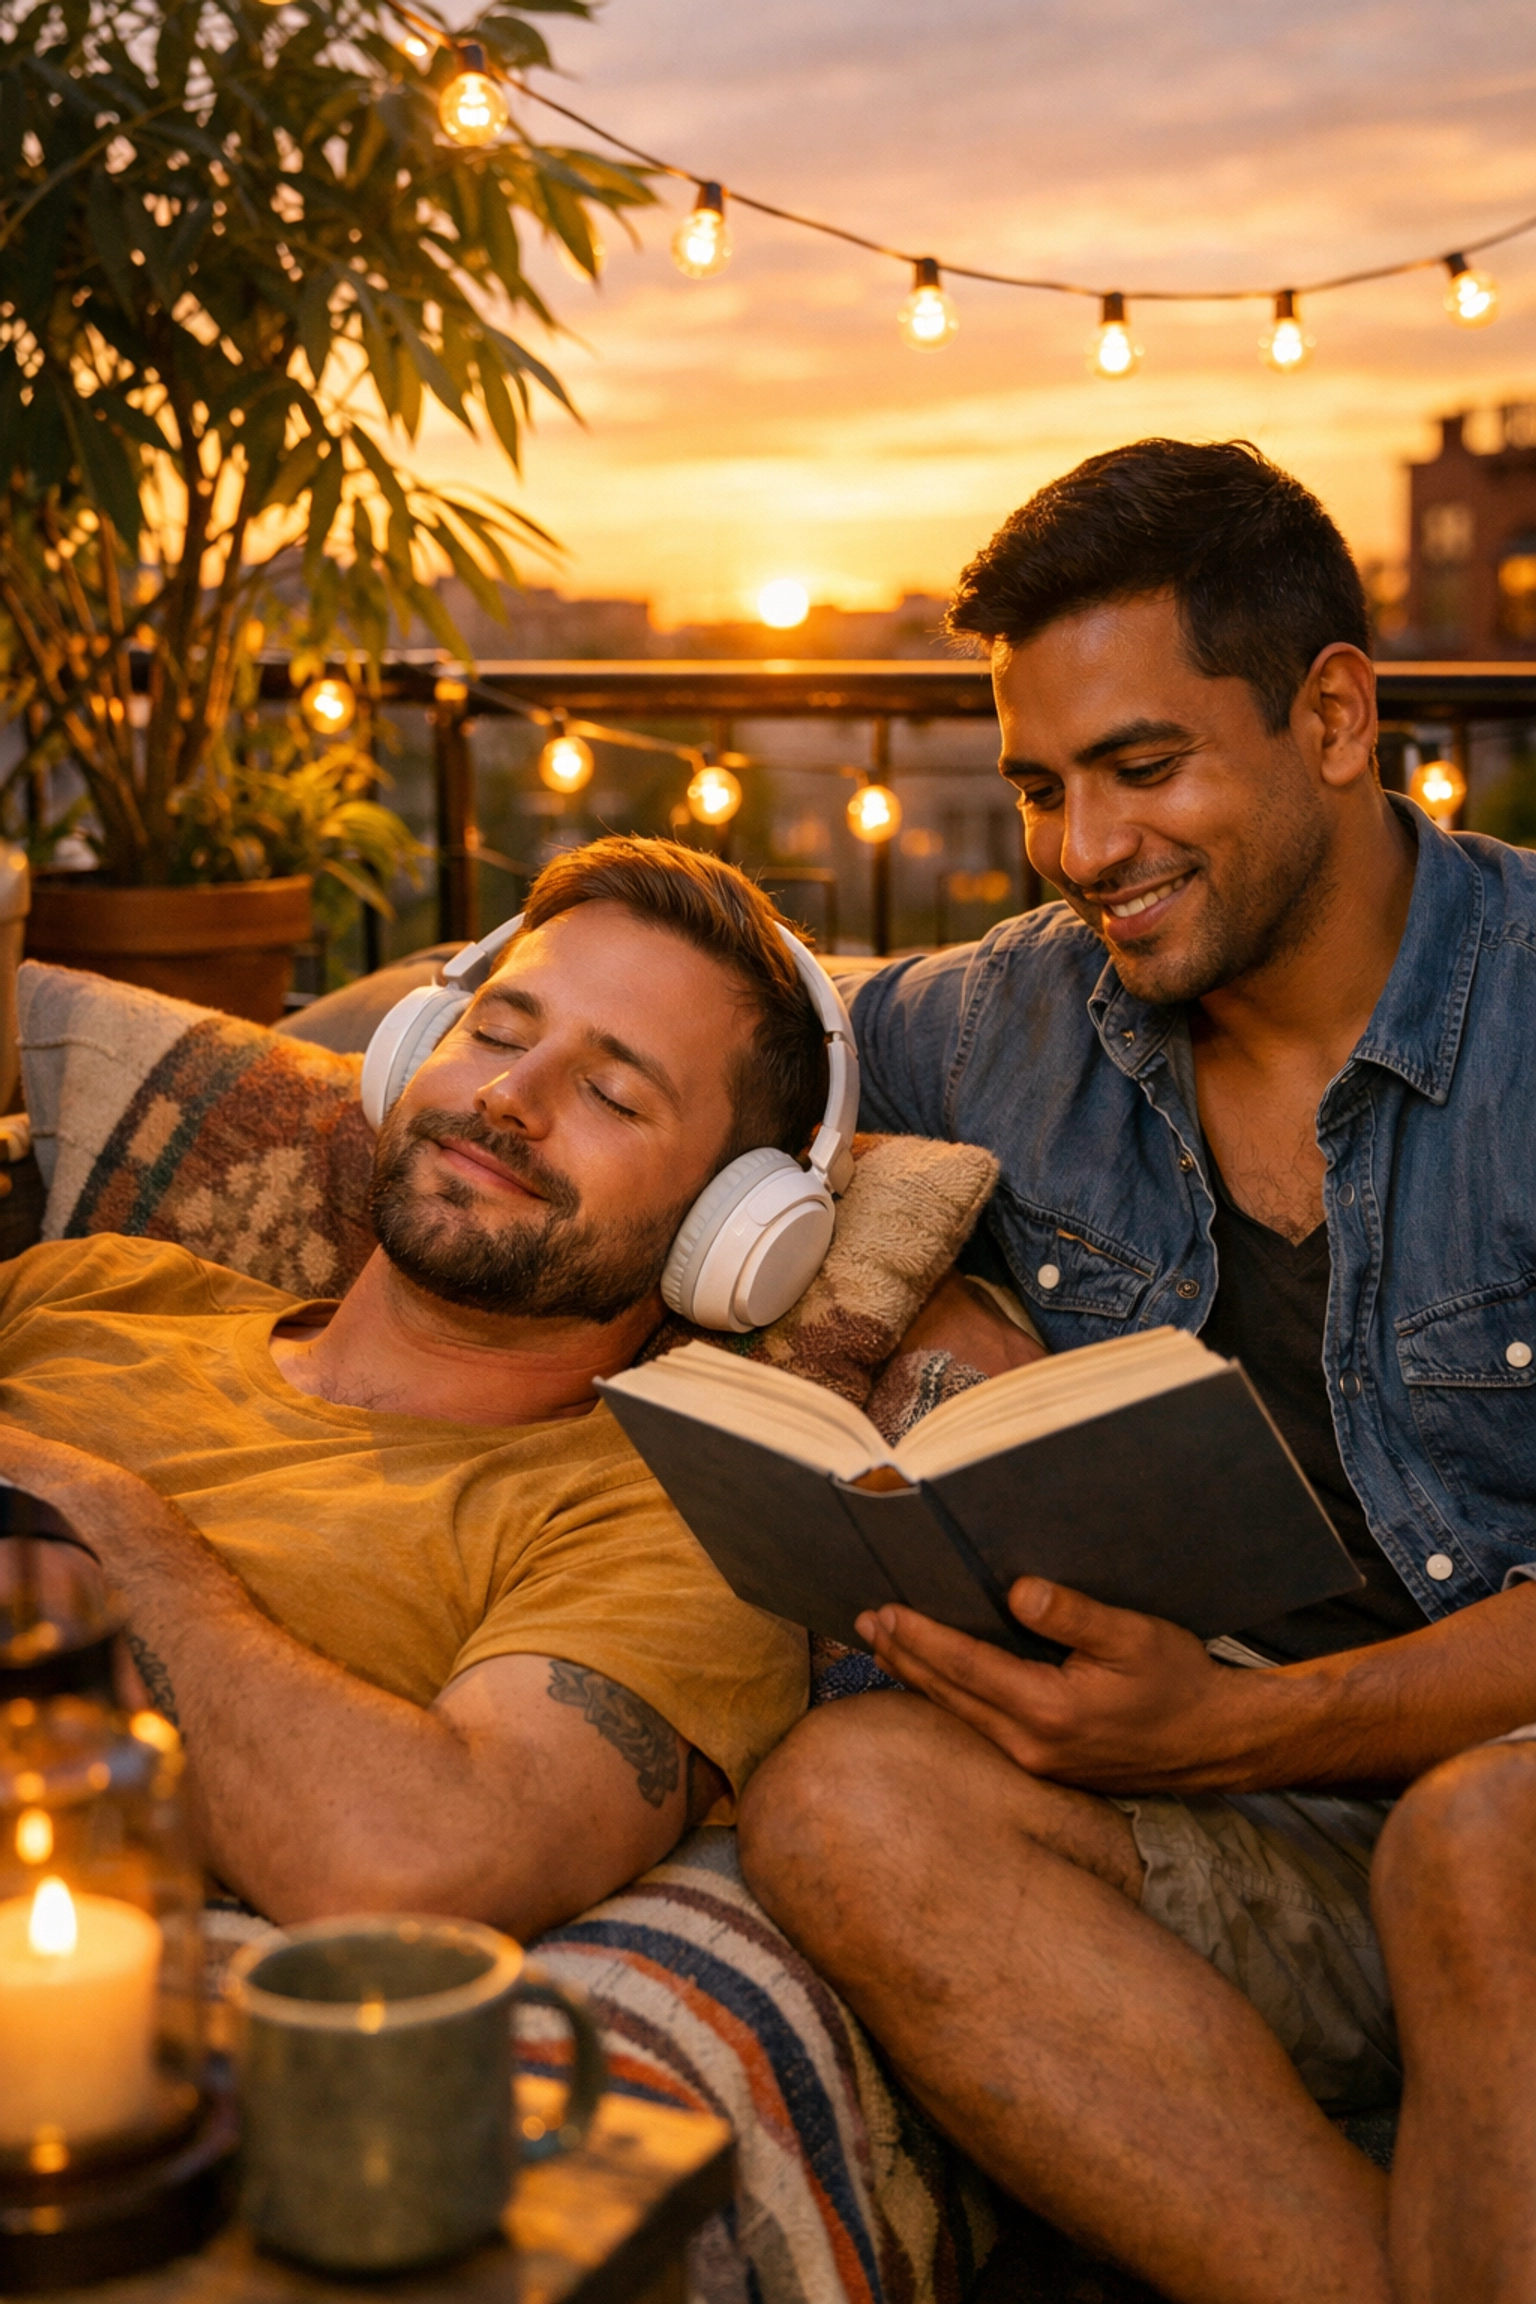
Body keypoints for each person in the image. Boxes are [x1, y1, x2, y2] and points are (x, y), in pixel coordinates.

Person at [738, 439, 1536, 2304]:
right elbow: (709, 1062)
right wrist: (924, 1322)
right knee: (840, 1799)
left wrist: (1236, 1727)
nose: (1085, 847)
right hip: (1254, 1833)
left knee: (1478, 1840)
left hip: (1489, 1805)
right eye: (1039, 784)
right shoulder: (984, 1026)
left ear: (1333, 715)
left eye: (1143, 766)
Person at [0, 838, 817, 1939]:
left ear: (729, 1230)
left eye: (615, 1097)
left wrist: (87, 1521)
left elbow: (417, 1870)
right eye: (496, 1031)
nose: (510, 1096)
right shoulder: (99, 1286)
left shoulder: (670, 1535)